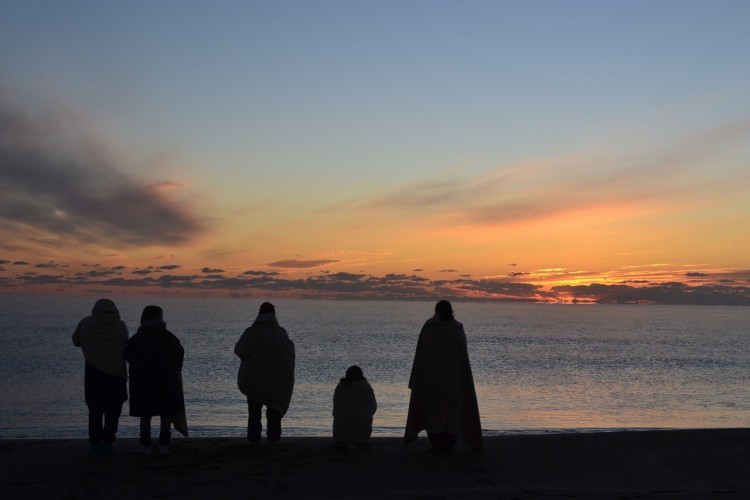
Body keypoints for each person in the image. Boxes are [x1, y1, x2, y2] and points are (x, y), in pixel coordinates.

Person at [404, 300, 483, 451]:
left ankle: (437, 442)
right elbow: (461, 354)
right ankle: (448, 442)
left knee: (433, 410)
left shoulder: (430, 327)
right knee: (451, 411)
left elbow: (421, 353)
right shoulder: (457, 328)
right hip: (453, 379)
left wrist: (417, 378)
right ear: (451, 310)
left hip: (432, 379)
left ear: (436, 310)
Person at [125, 305, 185, 456]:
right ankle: (164, 445)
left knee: (145, 415)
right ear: (159, 318)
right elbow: (179, 355)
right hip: (166, 382)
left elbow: (128, 355)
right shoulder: (170, 338)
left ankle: (145, 445)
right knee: (166, 414)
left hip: (142, 382)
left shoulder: (136, 339)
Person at [72, 298, 129, 455]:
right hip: (116, 375)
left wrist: (87, 325)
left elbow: (76, 341)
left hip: (93, 374)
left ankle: (96, 443)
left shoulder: (86, 325)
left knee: (95, 411)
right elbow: (125, 344)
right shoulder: (120, 327)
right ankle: (108, 441)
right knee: (113, 412)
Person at [234, 302, 295, 443]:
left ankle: (254, 440)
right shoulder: (281, 334)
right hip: (276, 382)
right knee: (274, 414)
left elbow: (239, 350)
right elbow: (289, 356)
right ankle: (273, 440)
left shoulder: (252, 332)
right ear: (274, 315)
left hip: (254, 381)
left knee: (254, 414)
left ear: (259, 314)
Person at [332, 365, 377, 449]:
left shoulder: (340, 387)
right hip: (362, 434)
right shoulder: (366, 387)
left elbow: (336, 405)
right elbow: (373, 407)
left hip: (340, 434)